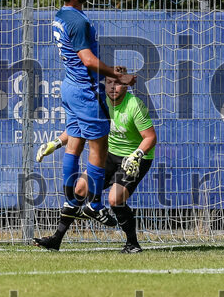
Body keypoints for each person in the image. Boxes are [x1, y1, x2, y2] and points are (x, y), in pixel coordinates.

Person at [33, 0, 136, 252]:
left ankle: (70, 201)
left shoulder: (60, 15)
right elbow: (88, 59)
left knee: (73, 146)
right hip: (85, 90)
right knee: (99, 148)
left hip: (69, 87)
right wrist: (116, 74)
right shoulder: (77, 20)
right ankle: (94, 204)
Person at [36, 66, 157, 253]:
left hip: (135, 158)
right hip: (110, 154)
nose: (113, 87)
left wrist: (136, 156)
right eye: (109, 82)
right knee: (79, 189)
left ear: (126, 84)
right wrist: (55, 143)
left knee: (115, 199)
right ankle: (56, 240)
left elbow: (150, 137)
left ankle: (133, 244)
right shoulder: (99, 102)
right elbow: (77, 127)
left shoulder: (135, 106)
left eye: (118, 82)